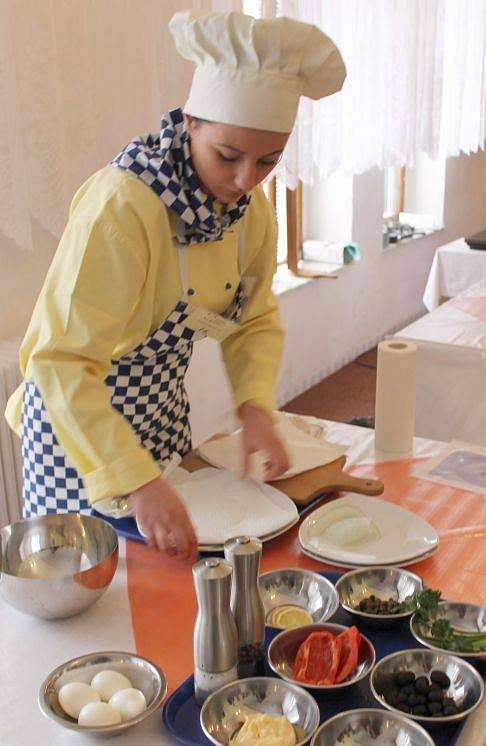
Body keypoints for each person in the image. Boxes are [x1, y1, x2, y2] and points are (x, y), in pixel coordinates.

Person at [5, 10, 345, 558]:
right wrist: (135, 480)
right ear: (190, 122)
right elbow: (59, 361)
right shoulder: (122, 208)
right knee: (91, 601)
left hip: (161, 425)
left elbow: (252, 320)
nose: (244, 181)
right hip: (79, 439)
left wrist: (256, 407)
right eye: (228, 156)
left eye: (268, 161)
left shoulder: (250, 215)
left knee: (166, 589)